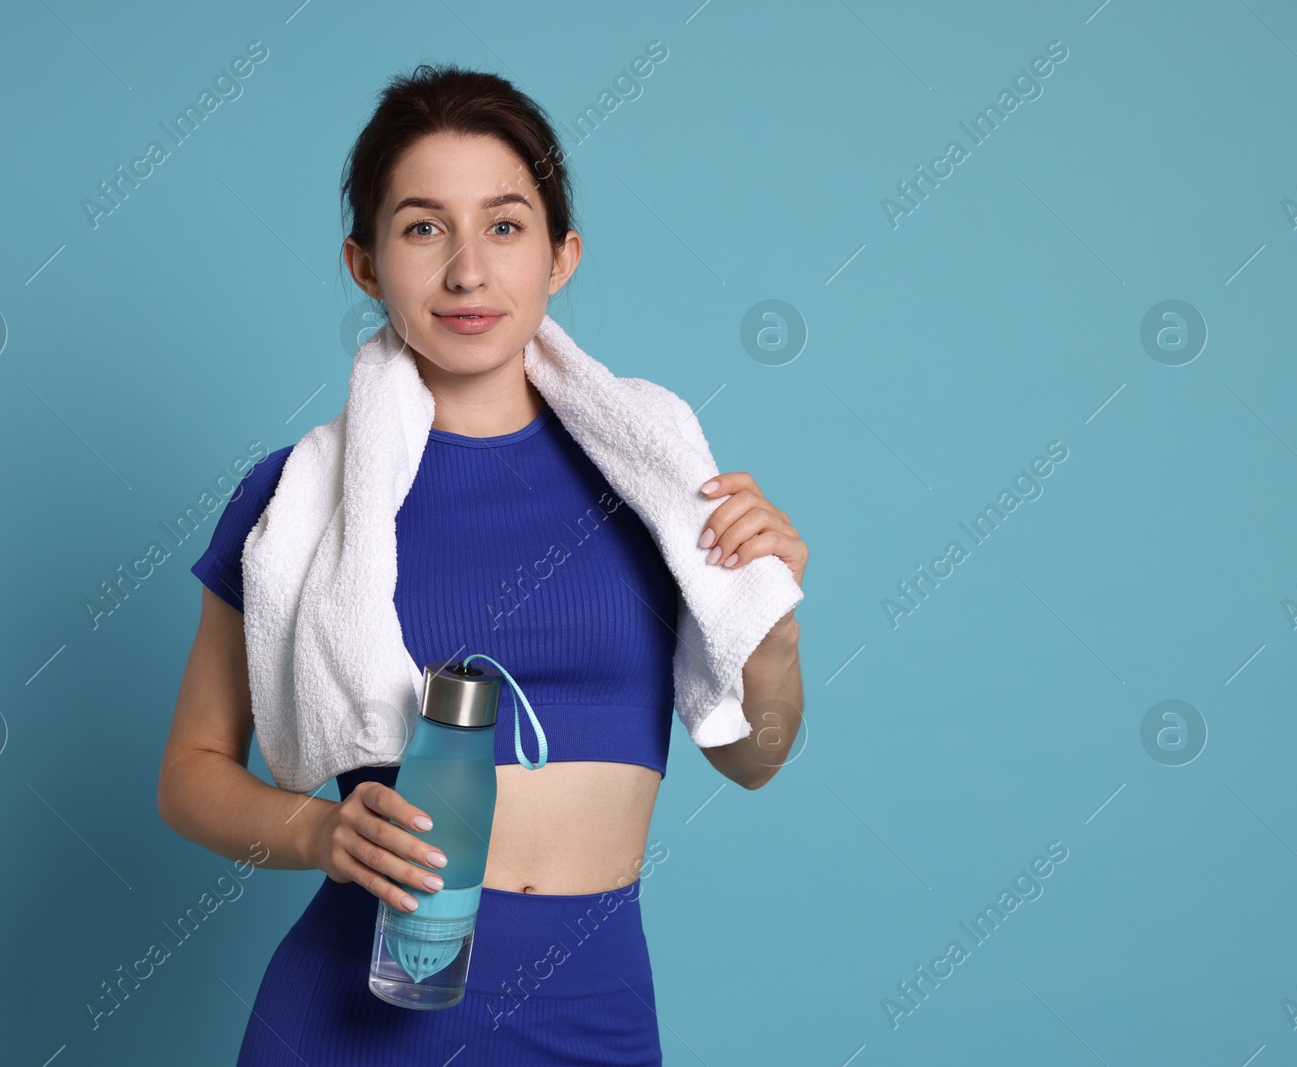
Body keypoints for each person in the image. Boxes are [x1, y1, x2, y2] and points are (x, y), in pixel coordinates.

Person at [156, 62, 808, 1065]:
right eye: (422, 227)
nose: (467, 271)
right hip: (358, 1007)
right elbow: (191, 774)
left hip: (593, 1010)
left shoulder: (657, 481)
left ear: (561, 256)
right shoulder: (298, 500)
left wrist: (772, 631)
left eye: (505, 226)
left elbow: (752, 757)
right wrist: (317, 835)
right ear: (365, 263)